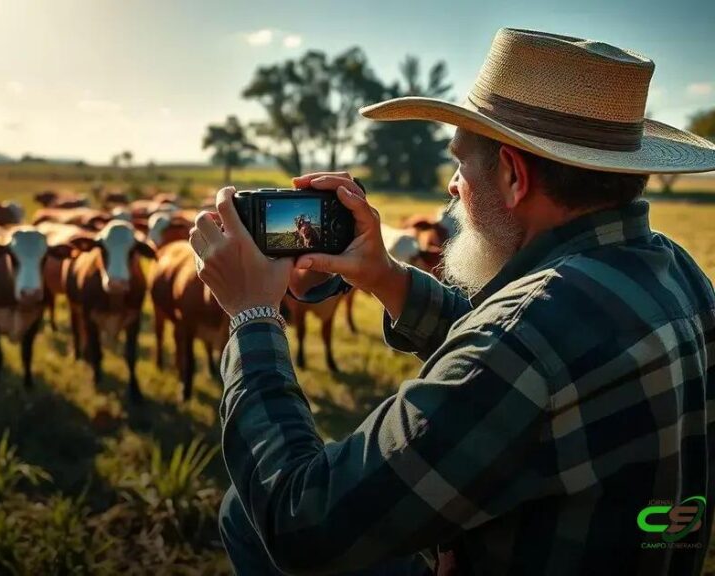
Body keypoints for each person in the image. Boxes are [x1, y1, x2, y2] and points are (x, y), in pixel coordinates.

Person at [188, 28, 715, 575]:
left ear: (513, 176)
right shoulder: (677, 270)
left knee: (247, 517)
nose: (453, 188)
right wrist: (385, 277)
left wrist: (253, 316)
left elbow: (302, 519)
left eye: (460, 166)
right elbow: (536, 372)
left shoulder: (523, 337)